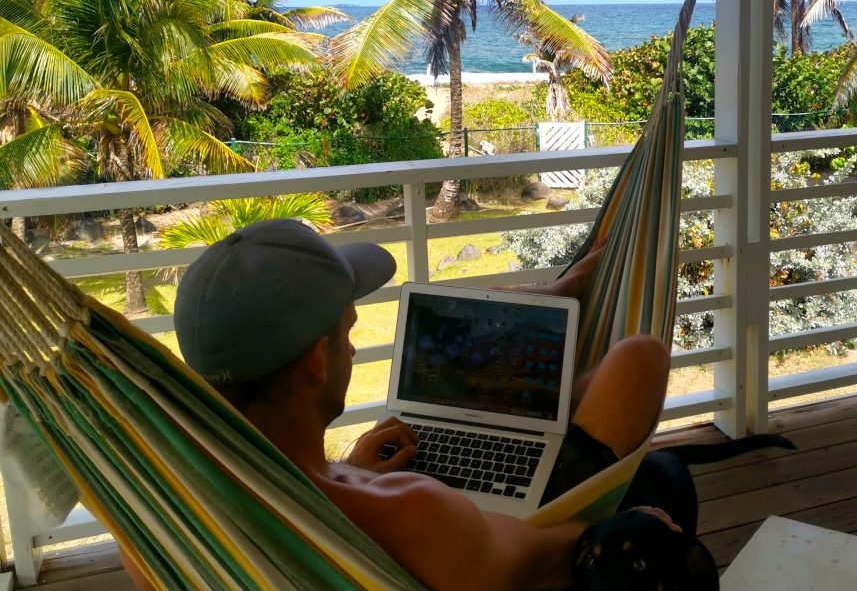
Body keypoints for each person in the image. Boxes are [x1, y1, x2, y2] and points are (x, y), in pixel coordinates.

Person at [118, 218, 671, 591]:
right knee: (662, 481)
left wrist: (347, 471)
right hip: (506, 561)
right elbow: (550, 551)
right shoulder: (409, 510)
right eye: (348, 331)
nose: (353, 347)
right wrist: (636, 525)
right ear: (316, 361)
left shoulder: (158, 517)